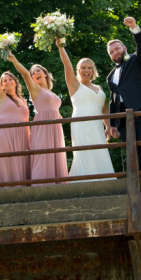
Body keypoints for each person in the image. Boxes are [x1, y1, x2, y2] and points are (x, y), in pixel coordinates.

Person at [106, 16, 141, 171]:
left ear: (124, 49)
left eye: (117, 48)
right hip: (124, 118)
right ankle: (138, 183)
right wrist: (113, 123)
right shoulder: (110, 76)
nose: (115, 52)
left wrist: (134, 28)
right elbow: (113, 100)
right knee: (132, 152)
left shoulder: (136, 61)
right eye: (112, 51)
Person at [57, 39, 114, 179]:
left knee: (100, 151)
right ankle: (83, 182)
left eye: (89, 68)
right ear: (78, 70)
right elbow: (67, 65)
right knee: (84, 152)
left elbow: (105, 110)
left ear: (93, 70)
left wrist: (108, 127)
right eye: (83, 67)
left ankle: (104, 181)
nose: (86, 70)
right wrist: (61, 47)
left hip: (97, 126)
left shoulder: (99, 88)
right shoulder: (75, 85)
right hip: (81, 123)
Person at [8, 52, 67, 181]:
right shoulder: (35, 89)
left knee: (56, 154)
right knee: (43, 154)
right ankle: (42, 185)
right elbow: (24, 74)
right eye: (33, 73)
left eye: (38, 70)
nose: (35, 74)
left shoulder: (51, 93)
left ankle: (59, 184)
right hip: (43, 125)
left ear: (45, 73)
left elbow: (55, 109)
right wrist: (14, 60)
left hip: (56, 127)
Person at [0, 51, 31, 184]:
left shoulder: (23, 100)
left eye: (10, 79)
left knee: (20, 165)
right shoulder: (0, 96)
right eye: (4, 80)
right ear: (2, 85)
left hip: (21, 136)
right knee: (5, 165)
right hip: (3, 133)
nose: (8, 82)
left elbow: (26, 120)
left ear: (15, 82)